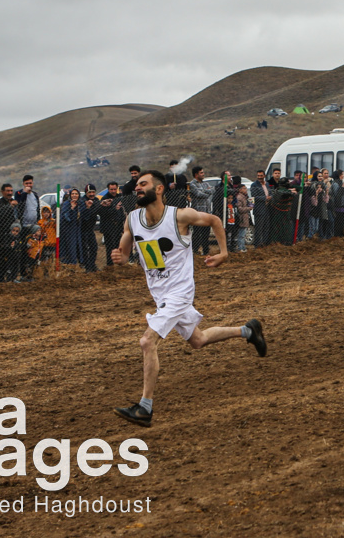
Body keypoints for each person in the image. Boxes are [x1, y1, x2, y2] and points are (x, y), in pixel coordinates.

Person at [110, 171, 268, 426]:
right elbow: (125, 252)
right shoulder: (133, 219)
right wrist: (120, 258)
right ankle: (248, 331)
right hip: (160, 294)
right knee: (198, 339)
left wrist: (224, 253)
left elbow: (216, 220)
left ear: (159, 189)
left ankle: (145, 408)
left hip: (180, 292)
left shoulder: (179, 216)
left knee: (147, 342)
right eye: (136, 185)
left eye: (143, 184)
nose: (137, 188)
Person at [14, 175, 41, 280]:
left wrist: (38, 222)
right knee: (24, 248)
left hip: (34, 226)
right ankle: (23, 273)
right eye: (27, 184)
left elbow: (37, 209)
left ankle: (32, 272)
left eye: (30, 183)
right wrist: (24, 193)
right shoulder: (19, 193)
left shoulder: (35, 195)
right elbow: (19, 206)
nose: (29, 185)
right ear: (23, 184)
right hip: (24, 226)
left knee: (34, 250)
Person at [188, 166, 214, 255]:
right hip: (198, 212)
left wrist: (205, 192)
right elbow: (198, 194)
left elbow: (211, 191)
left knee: (206, 233)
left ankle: (205, 250)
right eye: (201, 173)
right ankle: (195, 250)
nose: (203, 174)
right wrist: (206, 192)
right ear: (196, 174)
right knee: (197, 232)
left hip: (207, 211)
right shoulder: (192, 184)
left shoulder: (205, 184)